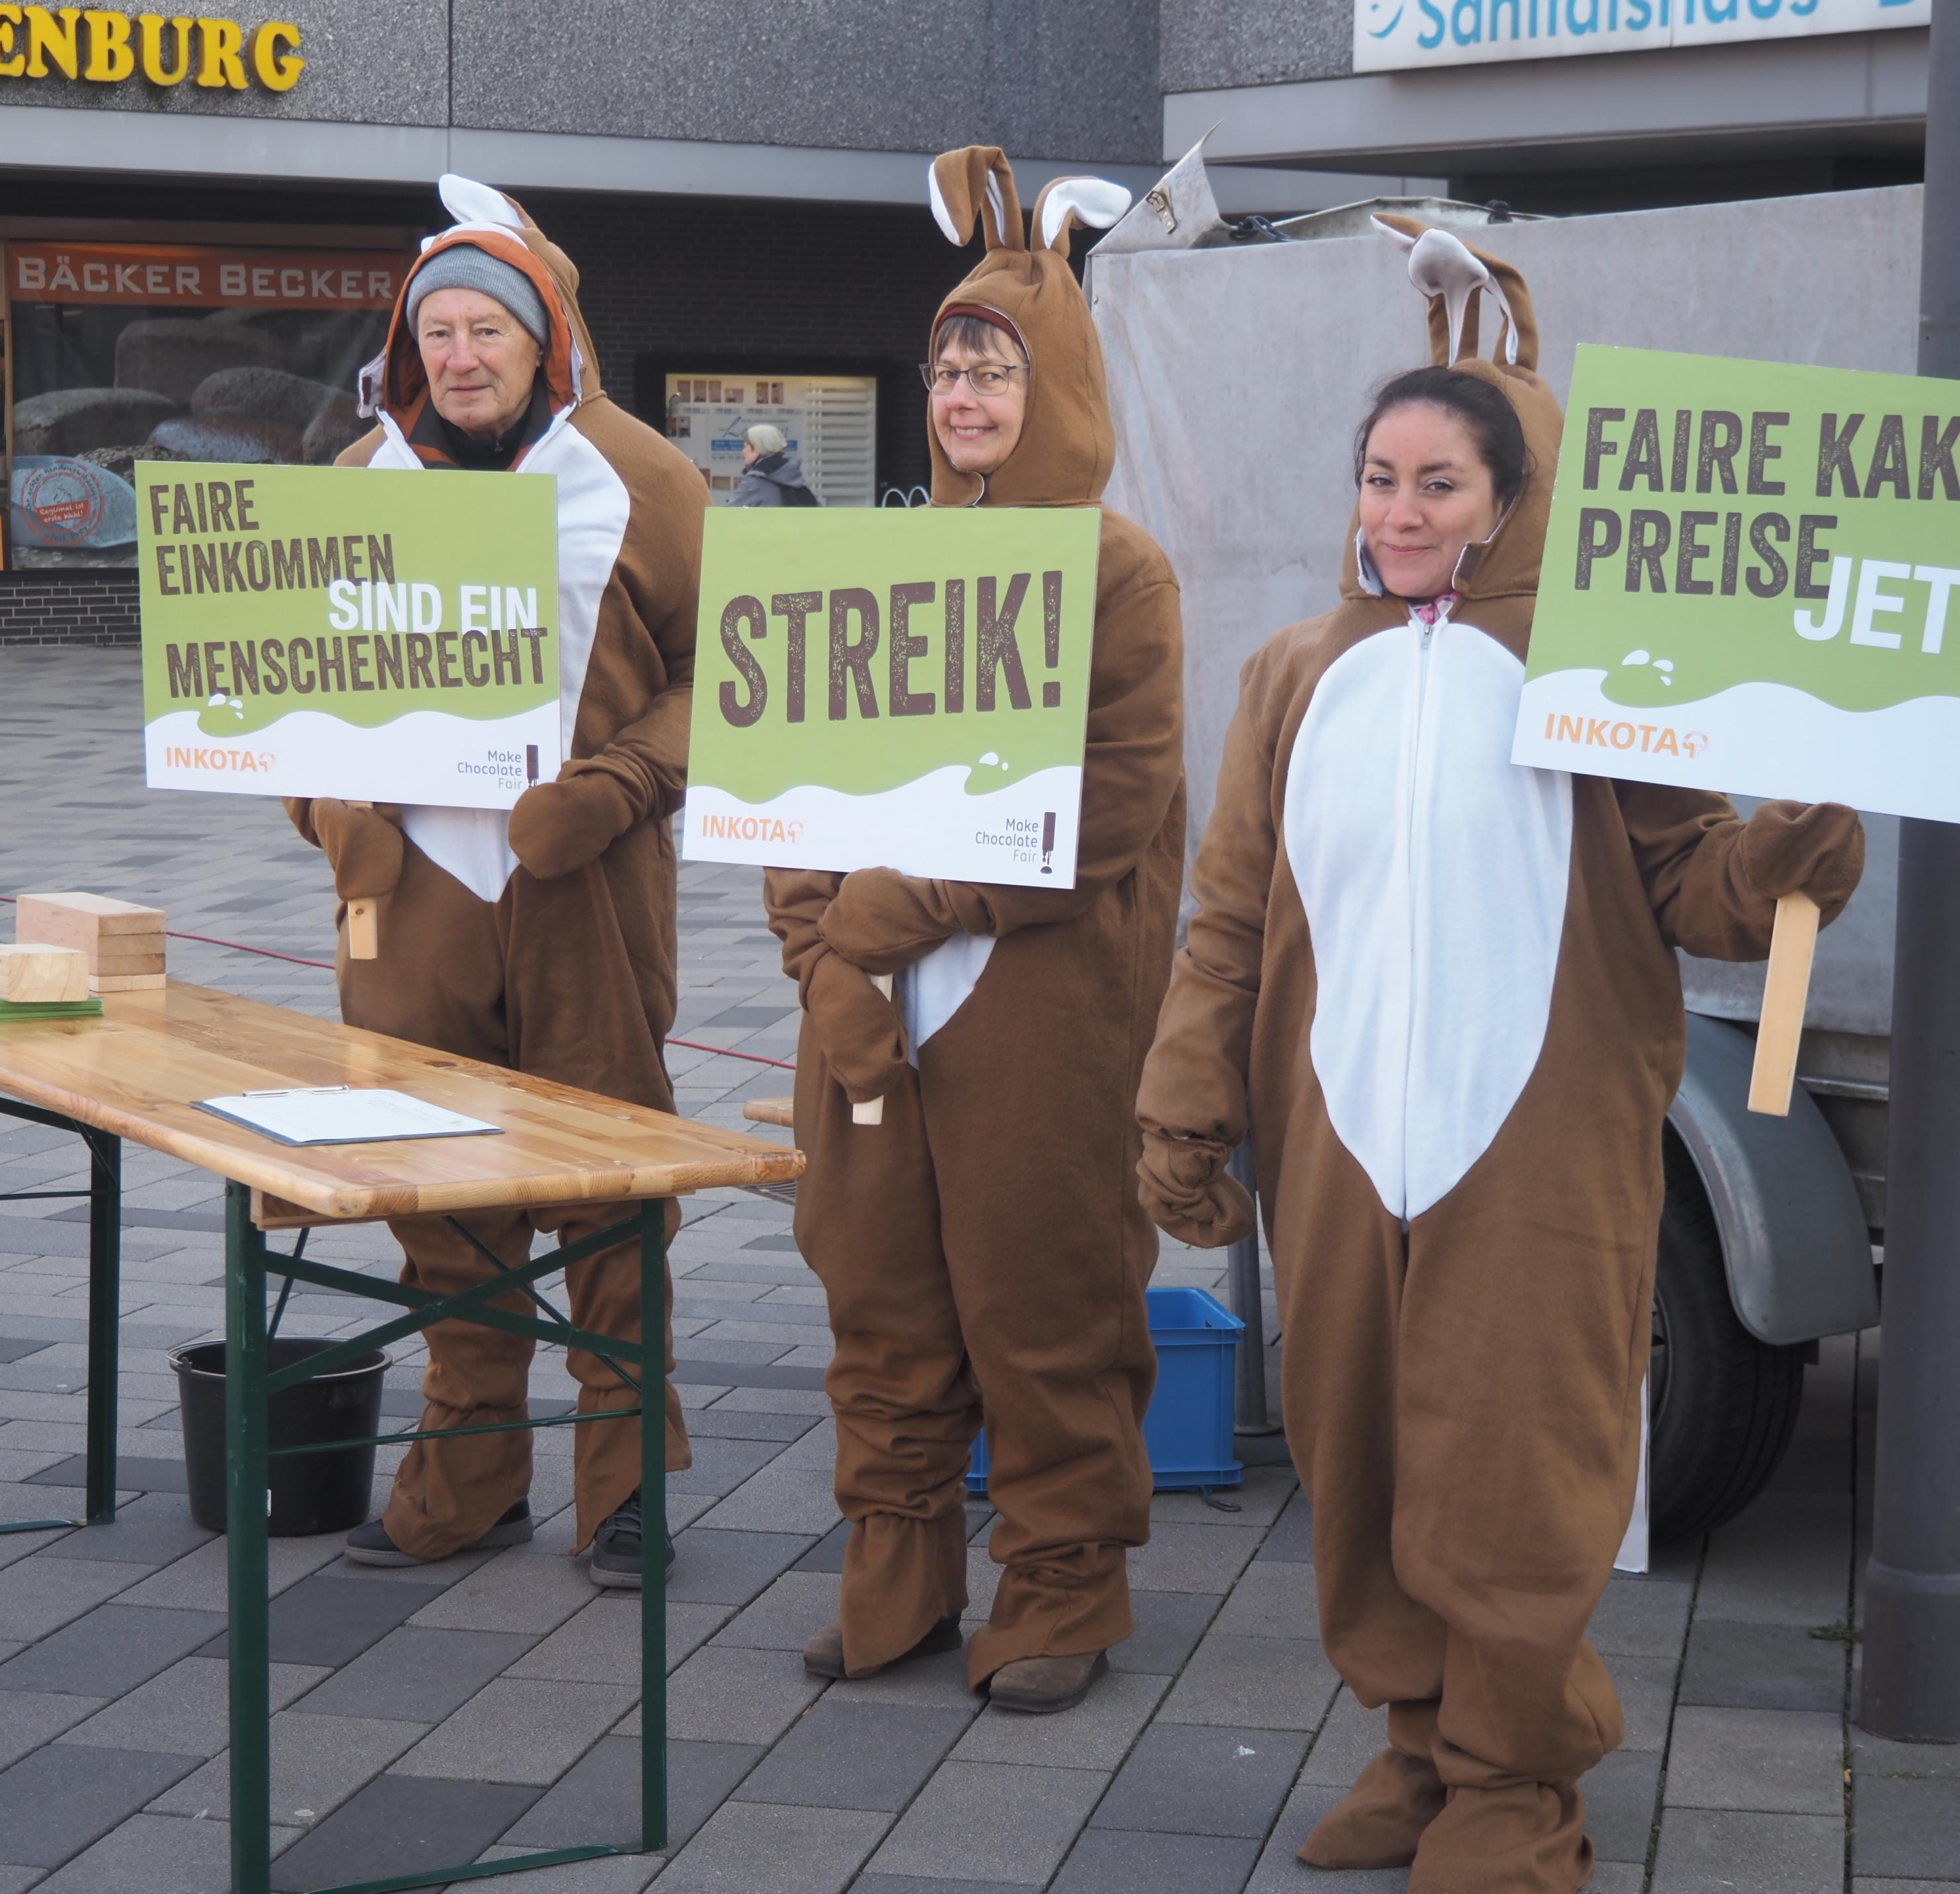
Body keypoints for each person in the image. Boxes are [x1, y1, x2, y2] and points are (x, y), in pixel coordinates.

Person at [1134, 221, 1866, 1891]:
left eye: (1440, 483)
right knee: (1357, 1450)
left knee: (1518, 1471)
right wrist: (1186, 1092)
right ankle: (1415, 1744)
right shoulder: (1288, 673)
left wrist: (1789, 856)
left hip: (1534, 1144)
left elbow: (1689, 878)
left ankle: (1516, 1791)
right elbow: (1230, 910)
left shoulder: (1597, 666)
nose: (1397, 511)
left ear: (1513, 498)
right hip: (1334, 1142)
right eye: (1378, 476)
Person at [764, 145, 1181, 1715]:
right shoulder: (867, 557)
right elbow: (784, 789)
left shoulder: (1120, 575)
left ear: (1055, 379)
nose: (962, 389)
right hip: (869, 1010)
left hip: (1036, 1006)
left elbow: (1112, 808)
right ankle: (898, 1567)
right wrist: (824, 964)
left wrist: (890, 917)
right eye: (946, 360)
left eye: (995, 362)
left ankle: (1062, 1582)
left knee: (1045, 1299)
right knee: (874, 1296)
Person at [283, 174, 709, 1583]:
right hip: (410, 901)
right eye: (440, 330)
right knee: (434, 1190)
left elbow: (733, 677)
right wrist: (327, 808)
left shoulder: (642, 475)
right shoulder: (359, 486)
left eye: (489, 330)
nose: (462, 355)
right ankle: (467, 1475)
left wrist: (618, 789)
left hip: (583, 889)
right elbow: (283, 695)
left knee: (609, 1177)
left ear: (545, 340)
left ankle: (624, 1478)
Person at [730, 422, 819, 507]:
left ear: (757, 448)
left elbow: (728, 515)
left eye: (745, 447)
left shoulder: (755, 482)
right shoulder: (795, 479)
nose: (743, 451)